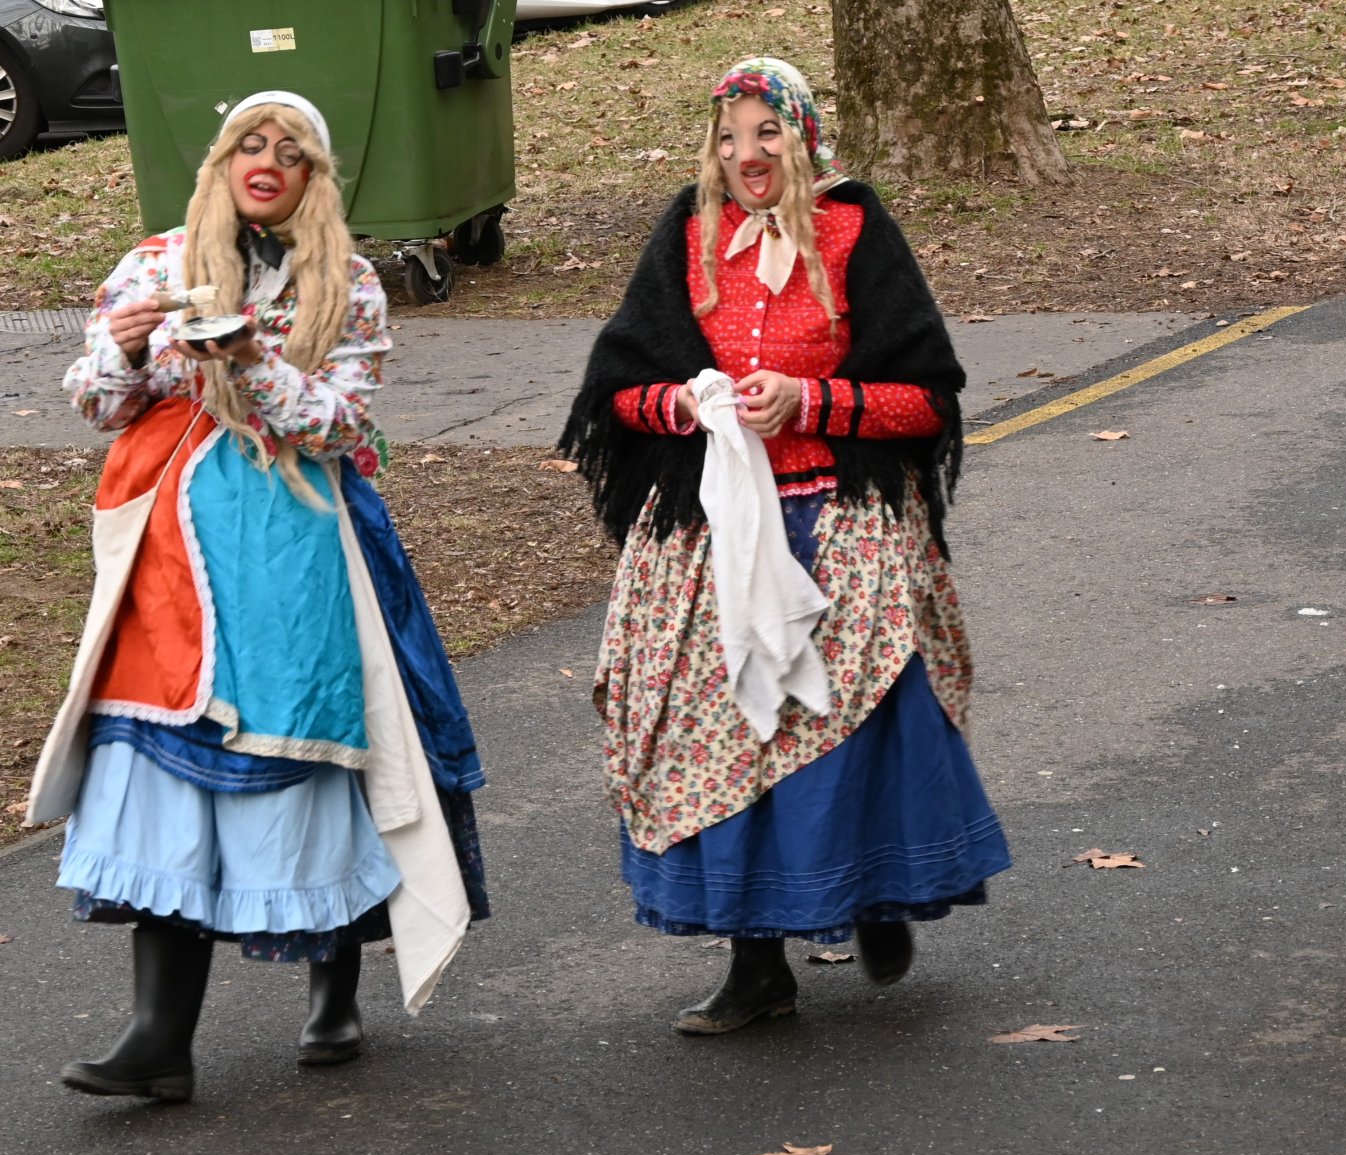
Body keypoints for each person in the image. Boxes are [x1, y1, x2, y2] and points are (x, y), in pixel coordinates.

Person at [30, 91, 489, 1101]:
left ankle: (333, 987)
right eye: (250, 143)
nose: (266, 160)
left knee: (312, 752)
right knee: (166, 763)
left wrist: (251, 358)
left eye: (291, 150)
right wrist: (129, 344)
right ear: (222, 161)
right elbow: (97, 404)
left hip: (298, 546)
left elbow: (340, 426)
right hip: (173, 557)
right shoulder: (159, 260)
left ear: (316, 178)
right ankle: (159, 1037)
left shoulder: (352, 286)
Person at [560, 57, 1011, 1036]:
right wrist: (685, 402)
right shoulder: (688, 232)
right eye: (728, 138)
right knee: (724, 733)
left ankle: (875, 894)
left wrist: (813, 401)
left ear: (801, 135)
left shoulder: (854, 229)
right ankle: (754, 961)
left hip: (841, 519)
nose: (745, 155)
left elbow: (925, 398)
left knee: (847, 727)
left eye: (765, 133)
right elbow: (618, 391)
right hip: (718, 529)